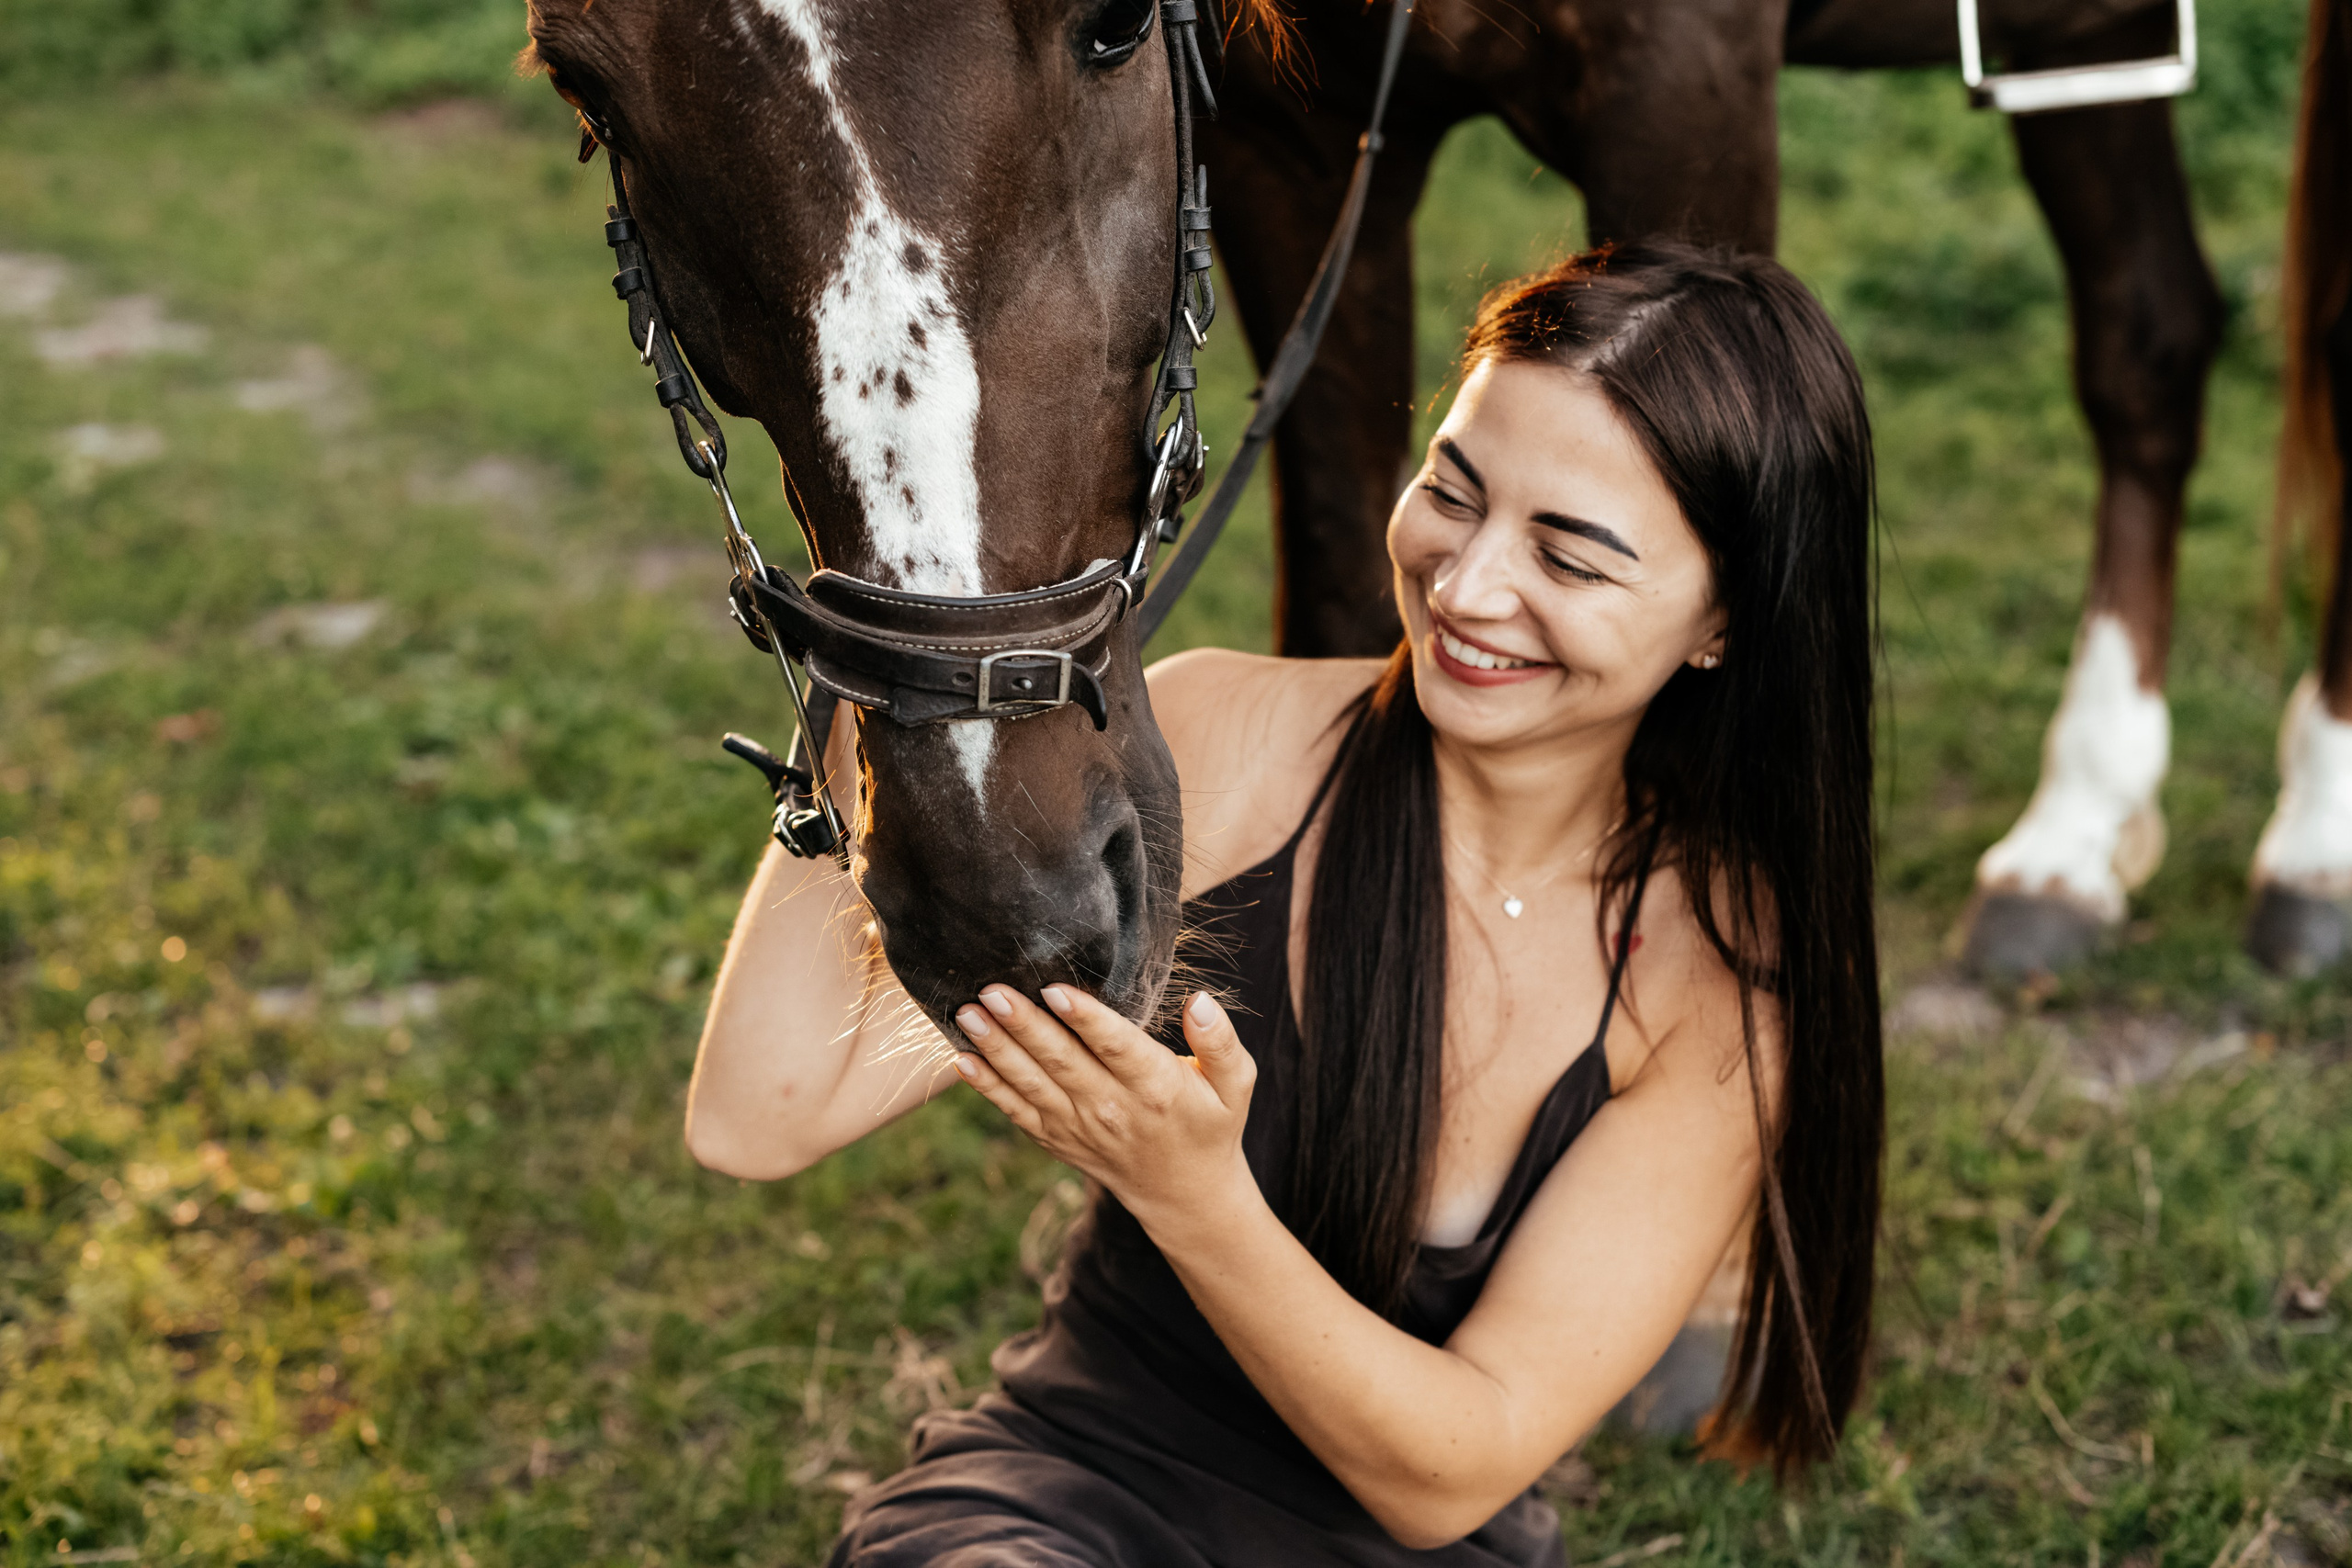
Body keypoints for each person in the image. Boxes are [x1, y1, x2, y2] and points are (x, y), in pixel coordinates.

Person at [685, 243, 1885, 1567]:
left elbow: (1455, 1472)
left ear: (1724, 621)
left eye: (1571, 558)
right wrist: (882, 650)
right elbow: (763, 1113)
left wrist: (1191, 1195)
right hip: (1068, 1494)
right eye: (1453, 490)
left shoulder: (1719, 983)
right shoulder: (1219, 740)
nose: (1467, 587)